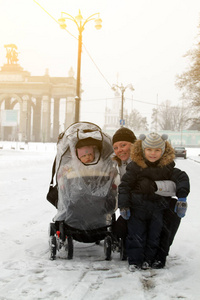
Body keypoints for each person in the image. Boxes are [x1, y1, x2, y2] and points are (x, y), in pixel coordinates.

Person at [118, 132, 190, 272]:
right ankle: (135, 261)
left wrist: (182, 197)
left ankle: (149, 260)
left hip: (158, 209)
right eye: (149, 149)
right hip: (137, 208)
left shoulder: (167, 167)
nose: (153, 153)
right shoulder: (135, 167)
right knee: (136, 236)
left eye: (157, 150)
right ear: (143, 150)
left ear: (163, 151)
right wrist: (124, 205)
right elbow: (124, 186)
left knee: (154, 237)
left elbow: (182, 178)